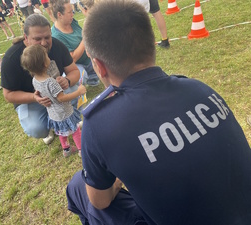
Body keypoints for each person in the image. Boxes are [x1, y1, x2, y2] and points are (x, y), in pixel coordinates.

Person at [66, 1, 251, 224]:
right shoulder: (199, 88)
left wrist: (118, 178)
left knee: (78, 187)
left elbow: (100, 201)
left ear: (99, 66)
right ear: (152, 45)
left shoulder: (99, 123)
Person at [1, 14, 80, 144]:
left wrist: (68, 81)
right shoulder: (11, 58)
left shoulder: (57, 45)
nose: (44, 43)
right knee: (36, 128)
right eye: (37, 39)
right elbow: (8, 95)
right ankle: (49, 128)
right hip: (31, 100)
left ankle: (66, 120)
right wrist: (35, 97)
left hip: (56, 93)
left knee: (74, 88)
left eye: (47, 37)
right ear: (26, 38)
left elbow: (74, 71)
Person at [21, 45, 86, 157]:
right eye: (46, 55)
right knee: (75, 130)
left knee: (61, 132)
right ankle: (81, 150)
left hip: (53, 115)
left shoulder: (35, 80)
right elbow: (61, 98)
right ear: (45, 64)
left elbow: (39, 92)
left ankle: (67, 150)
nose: (48, 57)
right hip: (64, 112)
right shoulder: (51, 82)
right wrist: (78, 92)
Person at [51, 0, 100, 87]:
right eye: (70, 12)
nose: (72, 14)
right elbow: (72, 58)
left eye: (72, 11)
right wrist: (86, 36)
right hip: (75, 65)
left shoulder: (71, 21)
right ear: (59, 15)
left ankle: (92, 76)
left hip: (88, 59)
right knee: (81, 75)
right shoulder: (56, 36)